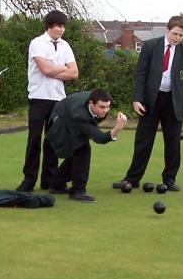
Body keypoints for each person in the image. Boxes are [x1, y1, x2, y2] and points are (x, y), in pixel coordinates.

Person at [112, 15, 183, 192]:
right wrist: (137, 99)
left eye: (181, 36)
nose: (177, 38)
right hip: (151, 100)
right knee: (143, 141)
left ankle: (169, 179)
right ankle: (132, 178)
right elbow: (140, 74)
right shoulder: (151, 46)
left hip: (174, 102)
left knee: (173, 142)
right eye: (175, 34)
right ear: (167, 30)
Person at [16, 10, 78, 192]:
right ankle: (29, 180)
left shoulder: (65, 46)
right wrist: (61, 70)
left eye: (63, 26)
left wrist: (55, 69)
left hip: (58, 99)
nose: (62, 29)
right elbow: (44, 70)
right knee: (34, 140)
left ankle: (49, 180)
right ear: (50, 25)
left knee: (52, 140)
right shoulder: (37, 43)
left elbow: (74, 73)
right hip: (38, 97)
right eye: (58, 25)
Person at [45, 89, 127, 203]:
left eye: (108, 106)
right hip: (61, 121)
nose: (106, 110)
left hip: (70, 113)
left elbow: (93, 122)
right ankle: (77, 191)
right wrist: (118, 128)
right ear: (91, 104)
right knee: (83, 149)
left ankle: (57, 184)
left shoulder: (96, 100)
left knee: (78, 150)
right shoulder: (79, 116)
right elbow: (101, 138)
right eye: (102, 107)